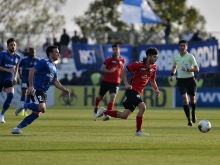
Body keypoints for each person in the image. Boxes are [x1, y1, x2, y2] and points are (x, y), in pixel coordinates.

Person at [94, 47, 160, 136]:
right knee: (143, 107)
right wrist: (126, 84)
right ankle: (138, 131)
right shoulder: (138, 64)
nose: (156, 59)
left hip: (138, 93)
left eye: (156, 57)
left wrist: (156, 89)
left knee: (124, 115)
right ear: (148, 56)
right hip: (132, 90)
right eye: (154, 57)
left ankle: (104, 111)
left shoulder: (154, 67)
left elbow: (152, 80)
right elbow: (123, 70)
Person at [12, 45, 70, 134]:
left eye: (58, 52)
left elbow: (55, 81)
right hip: (37, 89)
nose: (58, 54)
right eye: (56, 52)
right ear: (50, 54)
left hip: (44, 92)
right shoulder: (44, 62)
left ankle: (17, 128)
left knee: (37, 113)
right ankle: (24, 105)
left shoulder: (55, 66)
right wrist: (31, 86)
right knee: (41, 107)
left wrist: (64, 89)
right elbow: (32, 71)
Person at [170, 40, 199, 127]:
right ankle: (189, 119)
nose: (182, 47)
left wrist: (188, 70)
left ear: (187, 47)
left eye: (184, 46)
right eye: (181, 45)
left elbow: (197, 69)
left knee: (192, 100)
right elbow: (175, 67)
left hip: (190, 80)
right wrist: (172, 75)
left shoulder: (190, 57)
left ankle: (193, 112)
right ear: (179, 47)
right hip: (181, 81)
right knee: (184, 99)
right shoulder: (176, 57)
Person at [93, 44, 125, 121]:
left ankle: (107, 114)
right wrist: (110, 71)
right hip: (106, 81)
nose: (115, 51)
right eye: (113, 49)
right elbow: (102, 68)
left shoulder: (122, 60)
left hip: (116, 82)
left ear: (119, 50)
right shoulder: (109, 59)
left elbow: (122, 70)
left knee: (112, 97)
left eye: (116, 49)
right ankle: (96, 109)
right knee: (100, 97)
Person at [0, 38, 21, 123]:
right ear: (7, 46)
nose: (13, 46)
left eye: (14, 45)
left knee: (10, 96)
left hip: (8, 79)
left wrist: (15, 77)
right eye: (11, 45)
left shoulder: (17, 56)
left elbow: (16, 68)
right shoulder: (2, 54)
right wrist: (7, 70)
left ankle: (1, 115)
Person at [18, 47, 40, 116]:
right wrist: (20, 74)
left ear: (35, 53)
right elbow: (18, 66)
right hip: (25, 79)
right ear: (29, 52)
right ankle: (21, 110)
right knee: (24, 93)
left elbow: (41, 69)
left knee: (29, 95)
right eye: (31, 52)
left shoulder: (38, 60)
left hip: (33, 81)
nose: (33, 53)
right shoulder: (24, 59)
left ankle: (25, 110)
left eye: (34, 52)